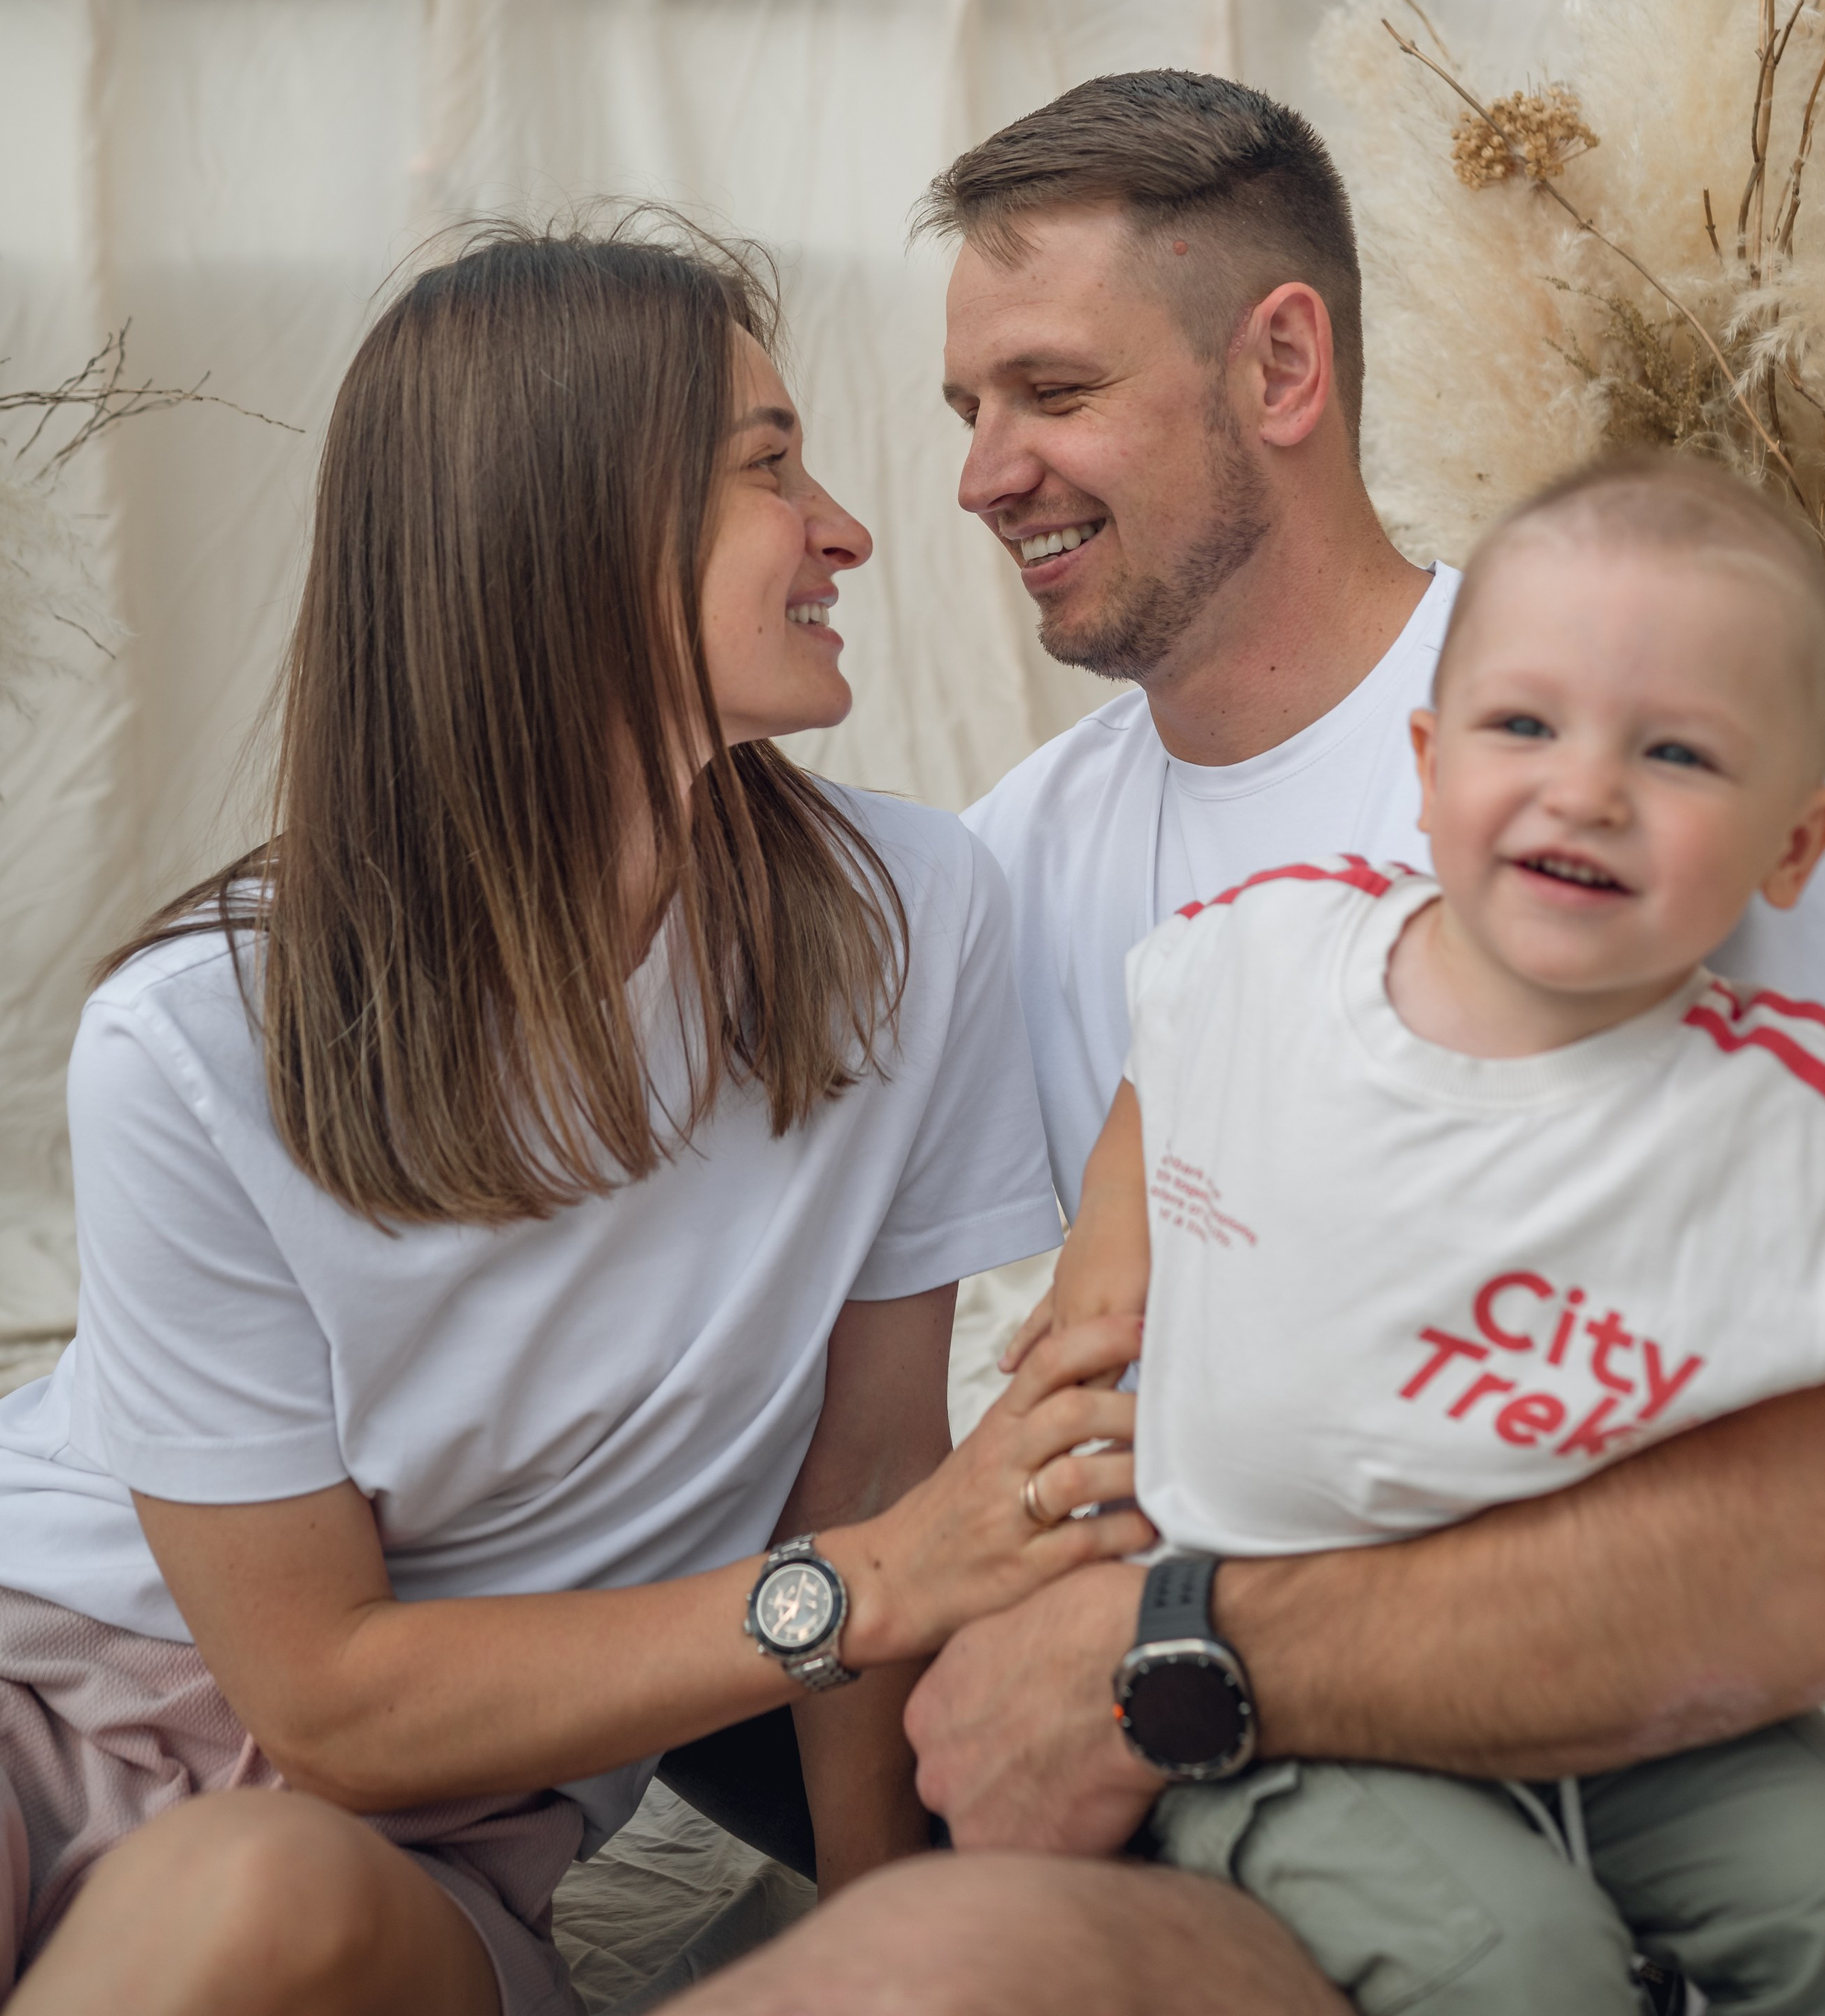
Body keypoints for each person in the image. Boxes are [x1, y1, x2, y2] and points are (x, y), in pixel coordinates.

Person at [666, 72, 1825, 2016]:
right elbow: (978, 1392)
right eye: (965, 412)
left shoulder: (1634, 767)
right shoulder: (1014, 869)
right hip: (1255, 1787)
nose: (983, 474)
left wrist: (1165, 1645)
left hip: (1542, 1714)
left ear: (1282, 365)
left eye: (1051, 392)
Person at [0, 220, 1150, 2016]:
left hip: (439, 1828)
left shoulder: (911, 925)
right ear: (569, 541)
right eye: (771, 471)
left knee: (248, 1905)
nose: (847, 527)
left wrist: (884, 1947)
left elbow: (863, 1480)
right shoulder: (199, 1034)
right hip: (52, 1663)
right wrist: (849, 1586)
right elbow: (329, 1680)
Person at [1045, 448, 1825, 2011]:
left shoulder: (1792, 1123)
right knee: (1510, 1963)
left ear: (1793, 847)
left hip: (1604, 1689)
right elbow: (1159, 1080)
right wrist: (1100, 1306)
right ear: (1430, 760)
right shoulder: (1265, 959)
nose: (1583, 788)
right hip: (1268, 1691)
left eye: (1676, 753)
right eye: (1524, 725)